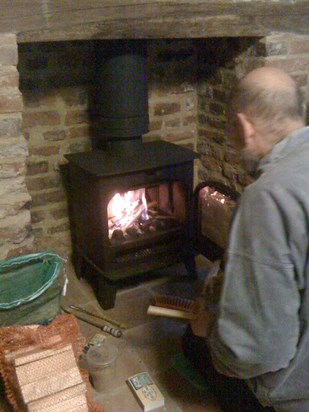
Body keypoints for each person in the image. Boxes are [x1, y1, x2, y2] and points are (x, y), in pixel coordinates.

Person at [183, 67, 309, 412]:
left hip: (297, 396)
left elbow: (257, 352)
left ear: (242, 126)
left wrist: (208, 330)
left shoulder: (268, 196)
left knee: (190, 343)